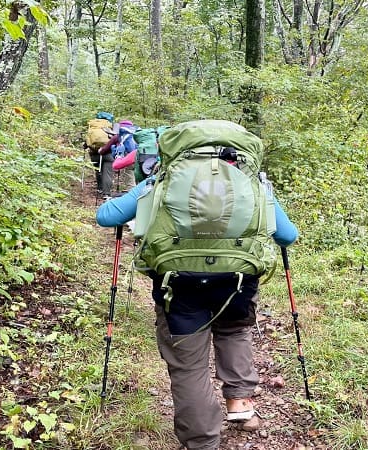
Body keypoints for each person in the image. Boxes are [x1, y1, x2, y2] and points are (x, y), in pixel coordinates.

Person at [95, 155, 298, 450]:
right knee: (234, 332)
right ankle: (239, 402)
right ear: (235, 154)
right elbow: (288, 236)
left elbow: (106, 216)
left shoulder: (163, 180)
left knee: (189, 367)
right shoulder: (252, 183)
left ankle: (202, 441)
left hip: (179, 285)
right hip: (237, 282)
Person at [84, 112, 115, 195]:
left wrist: (86, 146)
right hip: (108, 153)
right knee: (107, 173)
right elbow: (115, 140)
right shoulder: (110, 126)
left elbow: (87, 140)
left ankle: (100, 188)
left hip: (94, 153)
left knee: (98, 170)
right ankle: (106, 193)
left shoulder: (93, 126)